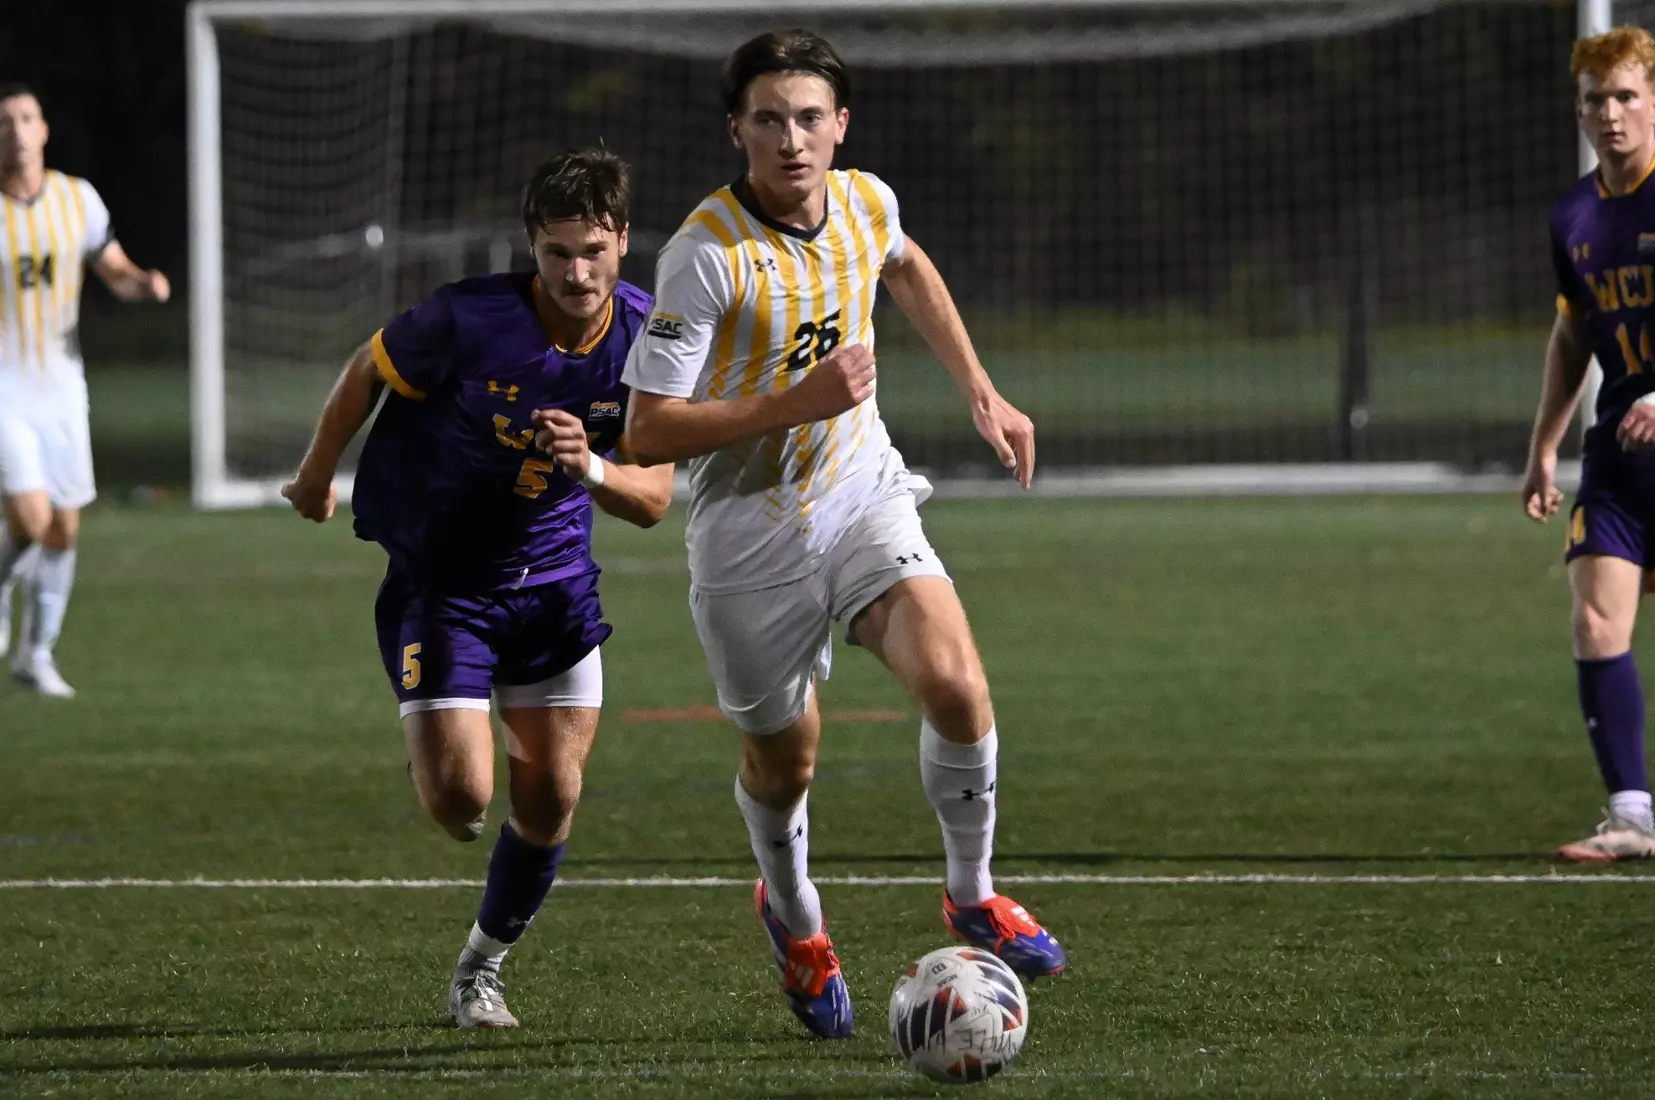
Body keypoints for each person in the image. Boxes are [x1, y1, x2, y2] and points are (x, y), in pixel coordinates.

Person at [619, 29, 1065, 1039]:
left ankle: (971, 895)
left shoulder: (866, 201)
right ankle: (796, 917)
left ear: (840, 125)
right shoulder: (704, 256)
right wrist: (795, 402)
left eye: (809, 118)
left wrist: (980, 388)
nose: (791, 139)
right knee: (786, 766)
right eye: (768, 120)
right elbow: (647, 429)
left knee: (956, 687)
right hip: (748, 539)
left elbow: (903, 265)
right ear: (736, 130)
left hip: (861, 493)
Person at [282, 148, 674, 1026]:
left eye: (593, 252)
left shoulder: (649, 338)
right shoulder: (468, 318)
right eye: (556, 253)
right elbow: (367, 370)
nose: (576, 273)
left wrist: (590, 467)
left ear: (621, 241)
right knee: (460, 801)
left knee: (552, 797)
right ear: (532, 246)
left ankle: (480, 969)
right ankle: (436, 739)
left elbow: (652, 499)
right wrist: (315, 473)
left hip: (555, 587)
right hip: (446, 584)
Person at [1523, 26, 1655, 862]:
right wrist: (1543, 445)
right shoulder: (1571, 214)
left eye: (1626, 95)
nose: (1610, 113)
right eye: (1594, 99)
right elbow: (1572, 335)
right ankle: (1632, 818)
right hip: (1618, 460)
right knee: (1595, 620)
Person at [0, 83, 171, 698]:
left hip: (62, 388)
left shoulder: (78, 199)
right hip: (4, 391)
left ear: (44, 129)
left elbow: (113, 269)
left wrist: (142, 283)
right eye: (4, 121)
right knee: (31, 519)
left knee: (63, 530)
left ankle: (36, 654)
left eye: (26, 118)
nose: (16, 130)